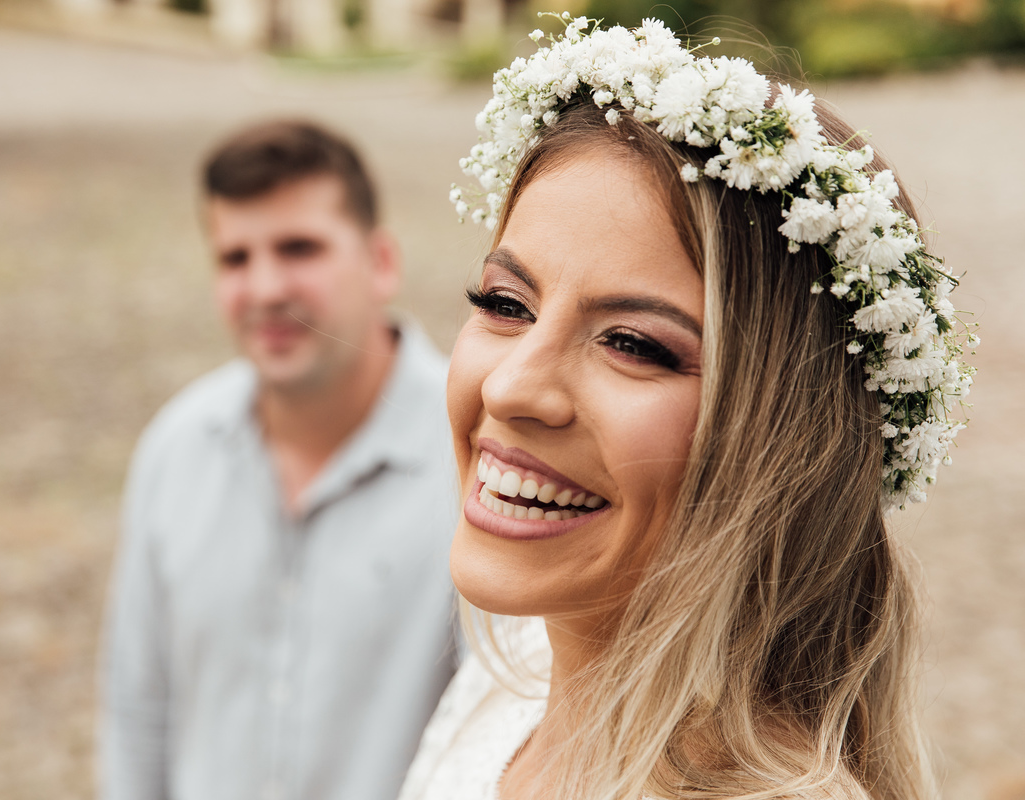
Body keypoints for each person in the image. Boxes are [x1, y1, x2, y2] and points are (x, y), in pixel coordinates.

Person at [399, 15, 974, 800]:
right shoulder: (516, 680)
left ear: (789, 441)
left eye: (634, 344)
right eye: (505, 303)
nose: (509, 389)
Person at [99, 120, 460, 800]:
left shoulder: (478, 458)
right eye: (235, 258)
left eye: (299, 248)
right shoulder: (174, 450)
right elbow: (138, 711)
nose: (265, 288)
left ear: (382, 262)